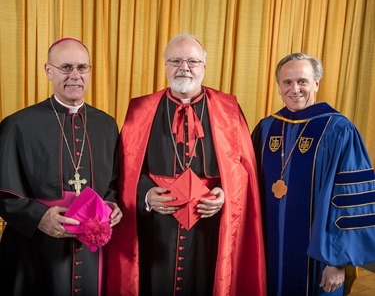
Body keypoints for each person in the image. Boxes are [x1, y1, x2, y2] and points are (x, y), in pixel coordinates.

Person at [106, 33, 266, 295]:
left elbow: (241, 170)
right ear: (165, 65)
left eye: (192, 61)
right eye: (176, 60)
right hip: (155, 227)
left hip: (208, 225)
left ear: (204, 66)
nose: (184, 68)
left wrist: (224, 195)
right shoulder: (141, 109)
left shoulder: (229, 109)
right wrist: (145, 195)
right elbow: (124, 169)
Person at [0, 38, 122, 295]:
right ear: (48, 70)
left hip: (92, 250)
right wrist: (39, 218)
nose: (75, 75)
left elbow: (113, 183)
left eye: (82, 68)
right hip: (34, 249)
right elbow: (4, 192)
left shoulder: (107, 125)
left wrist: (112, 205)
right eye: (66, 67)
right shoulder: (18, 125)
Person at [252, 52, 375, 295]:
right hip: (267, 251)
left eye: (302, 81)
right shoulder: (267, 128)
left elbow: (350, 200)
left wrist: (336, 260)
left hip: (320, 257)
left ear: (316, 84)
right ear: (278, 87)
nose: (294, 89)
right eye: (287, 82)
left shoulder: (338, 130)